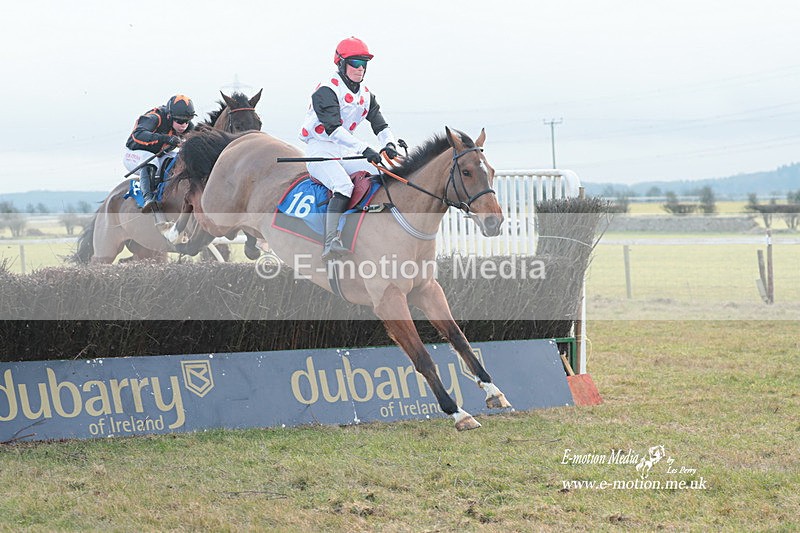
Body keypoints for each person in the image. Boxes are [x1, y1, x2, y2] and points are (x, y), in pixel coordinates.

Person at [299, 36, 399, 259]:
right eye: (355, 63)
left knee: (383, 169)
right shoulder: (325, 91)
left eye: (364, 64)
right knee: (343, 185)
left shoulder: (366, 95)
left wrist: (388, 144)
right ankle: (330, 242)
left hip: (344, 151)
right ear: (341, 64)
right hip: (320, 150)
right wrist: (365, 149)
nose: (360, 69)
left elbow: (380, 124)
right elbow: (333, 130)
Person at [124, 94, 196, 213]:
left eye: (187, 121)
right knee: (151, 161)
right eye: (179, 121)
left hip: (158, 155)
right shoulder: (154, 118)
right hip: (134, 154)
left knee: (176, 159)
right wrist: (166, 138)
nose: (184, 125)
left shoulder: (188, 127)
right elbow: (137, 135)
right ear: (169, 116)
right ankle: (148, 199)